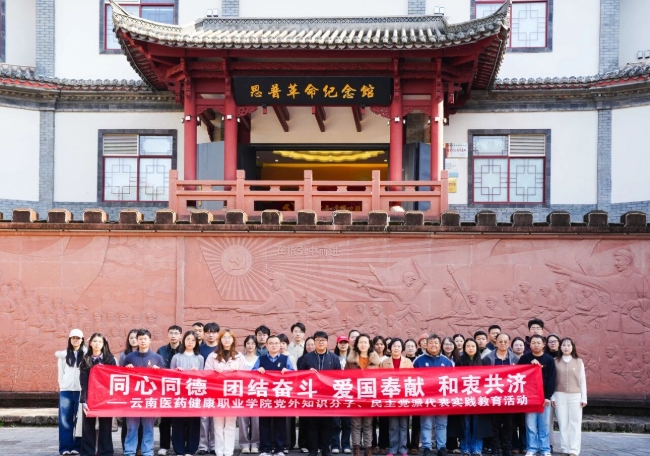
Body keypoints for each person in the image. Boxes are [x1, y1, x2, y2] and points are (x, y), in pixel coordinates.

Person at [123, 329, 166, 456]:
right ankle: (129, 451)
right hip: (133, 398)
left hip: (149, 399)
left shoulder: (157, 358)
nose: (142, 341)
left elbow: (164, 377)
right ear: (137, 340)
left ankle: (148, 451)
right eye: (140, 339)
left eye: (145, 338)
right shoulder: (129, 357)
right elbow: (122, 376)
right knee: (132, 427)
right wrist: (127, 369)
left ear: (150, 340)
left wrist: (158, 371)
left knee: (148, 428)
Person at [300, 331, 341, 456]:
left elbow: (339, 377)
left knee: (327, 425)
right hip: (312, 397)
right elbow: (299, 375)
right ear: (314, 342)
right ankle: (313, 450)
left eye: (323, 340)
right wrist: (308, 372)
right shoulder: (307, 358)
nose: (320, 342)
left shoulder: (334, 358)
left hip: (328, 397)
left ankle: (325, 449)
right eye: (318, 340)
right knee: (312, 425)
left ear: (327, 342)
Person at [206, 329, 246, 456]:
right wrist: (214, 372)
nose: (227, 340)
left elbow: (245, 376)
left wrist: (237, 371)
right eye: (224, 337)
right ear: (220, 340)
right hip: (217, 394)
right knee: (218, 425)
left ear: (233, 340)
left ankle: (228, 451)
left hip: (232, 394)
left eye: (229, 337)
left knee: (230, 424)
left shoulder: (239, 356)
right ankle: (219, 451)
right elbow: (205, 374)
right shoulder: (212, 356)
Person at [253, 335, 294, 456]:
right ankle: (265, 449)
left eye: (276, 343)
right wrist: (258, 370)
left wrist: (288, 372)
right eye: (271, 343)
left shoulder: (286, 359)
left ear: (280, 345)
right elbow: (252, 373)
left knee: (280, 423)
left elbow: (293, 374)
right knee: (264, 424)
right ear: (267, 345)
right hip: (264, 396)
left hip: (280, 396)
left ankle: (279, 449)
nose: (274, 345)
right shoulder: (260, 359)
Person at [414, 334, 454, 456]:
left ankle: (441, 447)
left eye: (436, 343)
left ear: (440, 345)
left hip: (442, 399)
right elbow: (412, 379)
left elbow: (453, 380)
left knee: (442, 424)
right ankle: (427, 447)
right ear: (426, 345)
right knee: (426, 424)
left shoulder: (447, 362)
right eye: (431, 343)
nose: (433, 345)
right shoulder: (418, 360)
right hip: (425, 398)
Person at [518, 335, 556, 456]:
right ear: (529, 344)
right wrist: (529, 366)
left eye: (538, 343)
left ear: (543, 344)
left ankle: (545, 449)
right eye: (533, 343)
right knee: (530, 425)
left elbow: (552, 379)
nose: (536, 345)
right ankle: (531, 448)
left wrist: (548, 397)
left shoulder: (549, 360)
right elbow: (518, 375)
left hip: (543, 397)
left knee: (544, 425)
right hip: (529, 397)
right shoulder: (524, 358)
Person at [79, 333, 117, 456]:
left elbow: (114, 379)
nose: (97, 344)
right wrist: (84, 400)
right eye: (95, 341)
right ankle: (87, 452)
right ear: (90, 343)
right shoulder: (86, 359)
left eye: (100, 342)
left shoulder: (109, 359)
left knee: (105, 426)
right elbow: (83, 382)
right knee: (88, 427)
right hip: (90, 397)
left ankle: (105, 452)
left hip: (105, 397)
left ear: (104, 344)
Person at [483, 333, 520, 456]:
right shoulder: (488, 358)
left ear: (509, 343)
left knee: (509, 424)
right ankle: (495, 449)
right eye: (500, 341)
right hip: (494, 396)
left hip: (510, 397)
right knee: (495, 424)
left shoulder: (515, 359)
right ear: (496, 342)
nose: (503, 343)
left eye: (505, 341)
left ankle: (506, 449)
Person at [170, 330, 205, 456]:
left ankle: (191, 449)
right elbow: (170, 376)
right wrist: (176, 372)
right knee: (178, 422)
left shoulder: (200, 358)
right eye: (188, 339)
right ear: (183, 340)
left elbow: (204, 377)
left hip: (194, 395)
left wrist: (197, 373)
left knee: (193, 422)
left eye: (193, 340)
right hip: (179, 395)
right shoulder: (176, 357)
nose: (190, 342)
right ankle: (179, 449)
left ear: (196, 343)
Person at [346, 334, 382, 456]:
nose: (363, 344)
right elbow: (345, 378)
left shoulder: (375, 361)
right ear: (357, 344)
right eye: (360, 342)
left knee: (368, 424)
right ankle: (356, 448)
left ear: (369, 344)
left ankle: (368, 448)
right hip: (355, 396)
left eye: (365, 342)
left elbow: (380, 379)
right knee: (355, 424)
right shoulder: (350, 361)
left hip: (370, 397)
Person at [551, 338, 587, 456]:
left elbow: (582, 381)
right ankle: (565, 448)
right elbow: (552, 381)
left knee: (575, 422)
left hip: (575, 395)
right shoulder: (555, 361)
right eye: (564, 345)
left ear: (572, 347)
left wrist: (584, 397)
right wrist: (552, 397)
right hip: (559, 395)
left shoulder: (579, 361)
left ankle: (574, 449)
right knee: (563, 422)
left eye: (568, 345)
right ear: (560, 347)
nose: (566, 347)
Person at [455, 338, 489, 456]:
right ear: (464, 348)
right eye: (468, 346)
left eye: (473, 346)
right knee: (466, 424)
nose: (470, 348)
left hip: (479, 398)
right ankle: (465, 448)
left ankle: (477, 449)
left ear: (476, 348)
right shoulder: (459, 362)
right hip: (464, 398)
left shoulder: (482, 361)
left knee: (477, 425)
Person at [381, 338, 413, 456]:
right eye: (394, 346)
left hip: (404, 397)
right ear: (390, 348)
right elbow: (380, 379)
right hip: (391, 397)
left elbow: (412, 379)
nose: (396, 348)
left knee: (404, 425)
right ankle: (393, 449)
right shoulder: (384, 362)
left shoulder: (408, 362)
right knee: (393, 425)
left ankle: (403, 449)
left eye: (399, 346)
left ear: (402, 348)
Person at [55, 328, 85, 456]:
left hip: (80, 391)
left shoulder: (86, 354)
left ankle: (77, 447)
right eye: (73, 338)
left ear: (82, 340)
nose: (76, 340)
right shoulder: (63, 355)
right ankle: (65, 448)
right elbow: (61, 373)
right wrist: (62, 386)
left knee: (80, 420)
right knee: (65, 420)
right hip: (66, 391)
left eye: (78, 338)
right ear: (70, 339)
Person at [156, 325, 183, 456]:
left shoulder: (186, 350)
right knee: (165, 420)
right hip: (165, 389)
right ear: (167, 335)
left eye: (176, 333)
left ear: (180, 335)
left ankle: (179, 446)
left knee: (180, 421)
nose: (173, 335)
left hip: (181, 390)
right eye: (171, 333)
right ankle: (164, 446)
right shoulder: (161, 351)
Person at [119, 329, 143, 454]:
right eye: (131, 338)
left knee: (141, 421)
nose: (133, 340)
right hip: (128, 392)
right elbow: (119, 372)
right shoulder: (124, 355)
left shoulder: (145, 354)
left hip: (142, 392)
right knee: (127, 422)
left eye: (135, 338)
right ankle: (126, 446)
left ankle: (139, 447)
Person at [198, 322, 220, 455]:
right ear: (204, 334)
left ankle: (213, 445)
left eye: (214, 332)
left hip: (218, 388)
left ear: (218, 334)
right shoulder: (199, 349)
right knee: (204, 418)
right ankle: (203, 446)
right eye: (208, 332)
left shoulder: (221, 348)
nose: (211, 335)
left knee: (215, 418)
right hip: (203, 387)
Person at [239, 335, 260, 454]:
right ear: (245, 345)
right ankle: (244, 444)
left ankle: (255, 443)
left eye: (253, 343)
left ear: (256, 346)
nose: (250, 346)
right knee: (243, 420)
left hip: (256, 393)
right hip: (242, 393)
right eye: (248, 343)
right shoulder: (240, 358)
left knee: (256, 420)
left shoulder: (260, 359)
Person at [332, 335, 352, 454]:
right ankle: (335, 445)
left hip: (349, 393)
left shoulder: (353, 358)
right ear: (337, 344)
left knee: (347, 422)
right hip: (335, 393)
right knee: (335, 421)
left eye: (345, 342)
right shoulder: (333, 358)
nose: (343, 344)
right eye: (341, 342)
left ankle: (346, 445)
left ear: (348, 344)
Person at [297, 337, 316, 453]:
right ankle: (303, 443)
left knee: (315, 421)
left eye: (312, 344)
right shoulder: (301, 359)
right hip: (304, 392)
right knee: (304, 420)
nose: (310, 347)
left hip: (317, 393)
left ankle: (315, 444)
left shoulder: (320, 358)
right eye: (308, 345)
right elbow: (299, 374)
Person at [371, 336, 389, 454]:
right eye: (377, 344)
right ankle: (373, 444)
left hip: (385, 392)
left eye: (381, 344)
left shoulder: (388, 359)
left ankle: (383, 445)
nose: (379, 346)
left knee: (384, 421)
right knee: (371, 421)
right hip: (372, 392)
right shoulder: (369, 358)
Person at [403, 339, 420, 455]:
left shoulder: (419, 361)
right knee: (404, 421)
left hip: (417, 393)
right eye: (408, 346)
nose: (410, 348)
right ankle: (405, 444)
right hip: (404, 393)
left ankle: (414, 445)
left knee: (416, 421)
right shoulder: (402, 361)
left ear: (415, 348)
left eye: (412, 346)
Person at [510, 338, 527, 455]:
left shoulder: (528, 359)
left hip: (524, 395)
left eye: (521, 345)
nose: (519, 347)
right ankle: (514, 445)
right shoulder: (509, 358)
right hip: (511, 395)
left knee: (523, 423)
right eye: (516, 345)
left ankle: (524, 445)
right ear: (512, 347)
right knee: (512, 422)